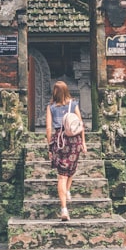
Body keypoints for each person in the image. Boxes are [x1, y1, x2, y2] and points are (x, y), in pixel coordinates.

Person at [46, 80, 86, 221]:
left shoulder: (50, 107)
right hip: (74, 140)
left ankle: (64, 208)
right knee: (70, 170)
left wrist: (50, 146)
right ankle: (66, 197)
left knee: (62, 175)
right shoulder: (73, 104)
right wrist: (83, 143)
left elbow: (49, 128)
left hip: (59, 140)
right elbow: (80, 124)